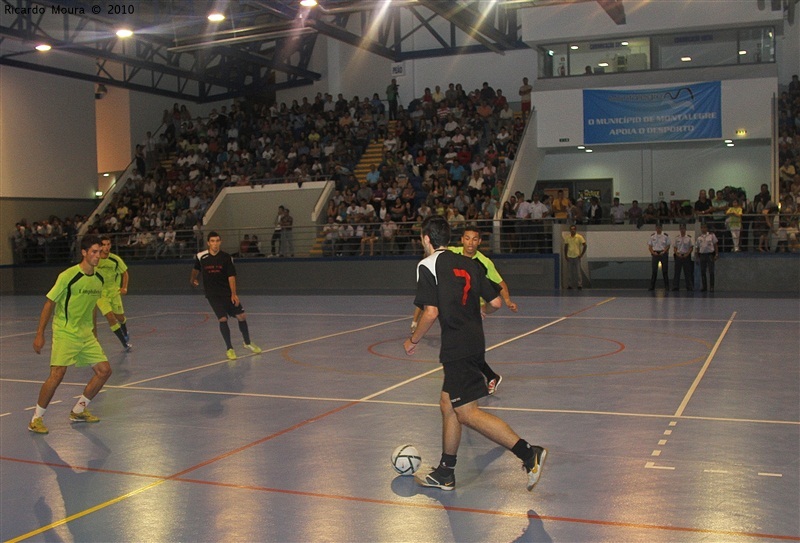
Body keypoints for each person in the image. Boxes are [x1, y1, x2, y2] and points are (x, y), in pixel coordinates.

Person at [403, 216, 546, 491]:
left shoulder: (427, 264)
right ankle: (446, 471)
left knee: (467, 413)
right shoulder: (471, 263)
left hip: (456, 346)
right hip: (475, 341)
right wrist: (482, 312)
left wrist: (413, 340)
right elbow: (494, 302)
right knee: (448, 404)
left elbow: (430, 312)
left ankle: (529, 453)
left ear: (426, 239)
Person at [410, 225, 517, 394]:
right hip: (456, 310)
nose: (470, 243)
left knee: (465, 351)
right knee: (467, 350)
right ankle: (489, 377)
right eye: (467, 238)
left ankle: (484, 381)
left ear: (480, 242)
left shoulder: (483, 262)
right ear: (461, 240)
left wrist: (506, 300)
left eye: (475, 239)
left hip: (470, 310)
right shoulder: (451, 254)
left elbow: (499, 286)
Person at [29, 235, 113, 434]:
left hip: (85, 334)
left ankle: (78, 410)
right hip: (65, 331)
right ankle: (36, 419)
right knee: (57, 374)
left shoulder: (99, 279)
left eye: (99, 252)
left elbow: (92, 307)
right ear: (84, 253)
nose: (97, 255)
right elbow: (49, 303)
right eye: (93, 252)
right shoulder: (68, 276)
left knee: (104, 371)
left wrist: (94, 332)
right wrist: (40, 334)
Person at [191, 231, 262, 360]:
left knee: (242, 316)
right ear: (208, 243)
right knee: (223, 319)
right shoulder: (201, 256)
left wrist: (234, 294)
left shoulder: (226, 258)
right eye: (212, 241)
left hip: (227, 293)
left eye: (217, 241)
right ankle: (229, 348)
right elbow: (196, 269)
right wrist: (193, 279)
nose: (215, 244)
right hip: (213, 294)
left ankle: (247, 343)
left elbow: (231, 276)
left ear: (220, 242)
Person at [96, 236, 133, 351]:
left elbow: (125, 273)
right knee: (110, 317)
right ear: (100, 246)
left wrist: (124, 287)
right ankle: (124, 343)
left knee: (120, 317)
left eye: (108, 244)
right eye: (104, 245)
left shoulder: (115, 259)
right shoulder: (95, 259)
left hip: (114, 291)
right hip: (100, 294)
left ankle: (124, 326)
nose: (106, 247)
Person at [695, 222, 718, 292]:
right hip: (702, 255)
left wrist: (716, 254)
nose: (703, 229)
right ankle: (704, 287)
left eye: (705, 227)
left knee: (711, 271)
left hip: (710, 255)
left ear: (707, 228)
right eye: (702, 228)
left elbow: (715, 245)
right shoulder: (699, 238)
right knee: (702, 271)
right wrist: (697, 257)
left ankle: (711, 287)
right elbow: (697, 248)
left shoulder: (711, 235)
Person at [671, 223, 694, 291]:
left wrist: (687, 254)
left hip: (686, 255)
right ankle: (675, 286)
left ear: (685, 229)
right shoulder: (677, 238)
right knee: (677, 272)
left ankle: (689, 286)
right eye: (681, 229)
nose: (682, 230)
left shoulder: (689, 238)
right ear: (679, 229)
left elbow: (691, 247)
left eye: (683, 228)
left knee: (687, 272)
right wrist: (677, 254)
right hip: (679, 255)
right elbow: (675, 248)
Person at [563, 224, 587, 290]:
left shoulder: (579, 237)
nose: (572, 230)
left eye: (574, 229)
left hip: (577, 256)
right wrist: (565, 255)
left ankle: (579, 285)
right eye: (571, 229)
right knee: (569, 272)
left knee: (578, 272)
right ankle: (570, 285)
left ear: (575, 230)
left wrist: (581, 254)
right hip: (569, 256)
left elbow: (585, 245)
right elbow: (565, 247)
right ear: (570, 230)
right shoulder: (567, 237)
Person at [648, 223, 670, 291]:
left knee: (665, 271)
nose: (658, 229)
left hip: (663, 254)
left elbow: (668, 245)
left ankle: (667, 286)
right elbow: (650, 247)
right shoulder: (652, 236)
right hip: (655, 254)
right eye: (657, 227)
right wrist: (653, 253)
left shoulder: (665, 236)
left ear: (661, 228)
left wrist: (664, 251)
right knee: (654, 271)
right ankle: (652, 286)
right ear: (655, 228)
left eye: (659, 227)